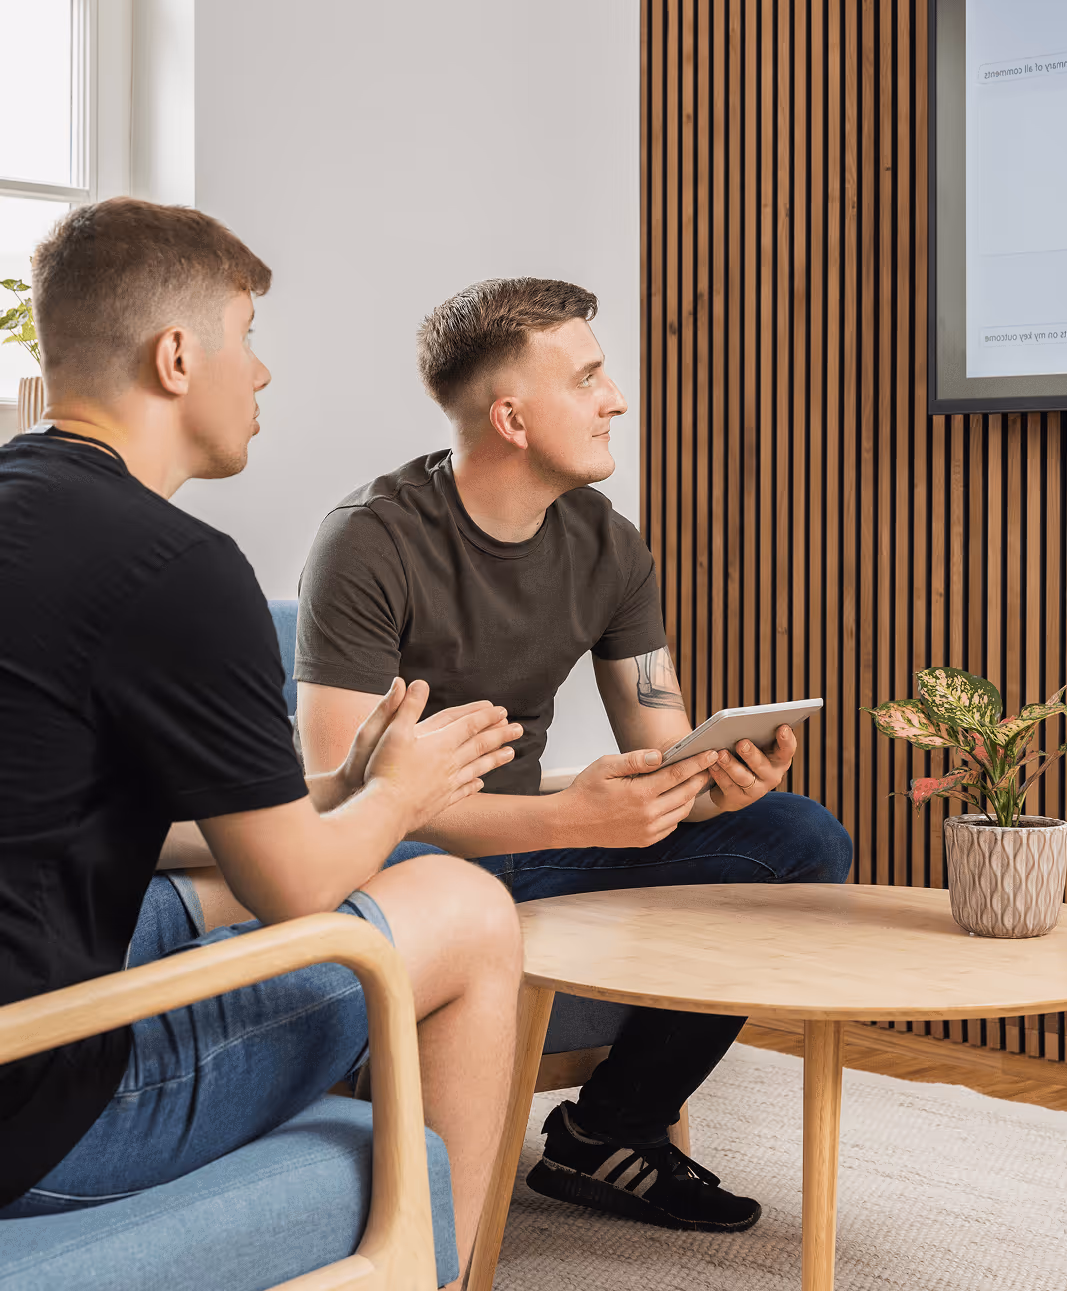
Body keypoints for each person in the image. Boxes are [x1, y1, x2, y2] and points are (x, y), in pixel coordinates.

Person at [0, 200, 523, 1291]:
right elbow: (295, 889)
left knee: (264, 887)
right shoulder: (176, 566)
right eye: (248, 335)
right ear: (178, 355)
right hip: (34, 1112)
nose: (265, 374)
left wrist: (340, 786)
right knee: (468, 912)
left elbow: (62, 820)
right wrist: (407, 790)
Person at [293, 277, 854, 1235]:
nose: (616, 399)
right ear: (511, 416)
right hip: (409, 861)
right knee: (420, 865)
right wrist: (571, 814)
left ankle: (609, 1133)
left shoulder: (609, 546)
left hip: (528, 846)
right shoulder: (371, 540)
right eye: (588, 377)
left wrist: (714, 787)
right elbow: (339, 812)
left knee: (800, 839)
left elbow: (660, 744)